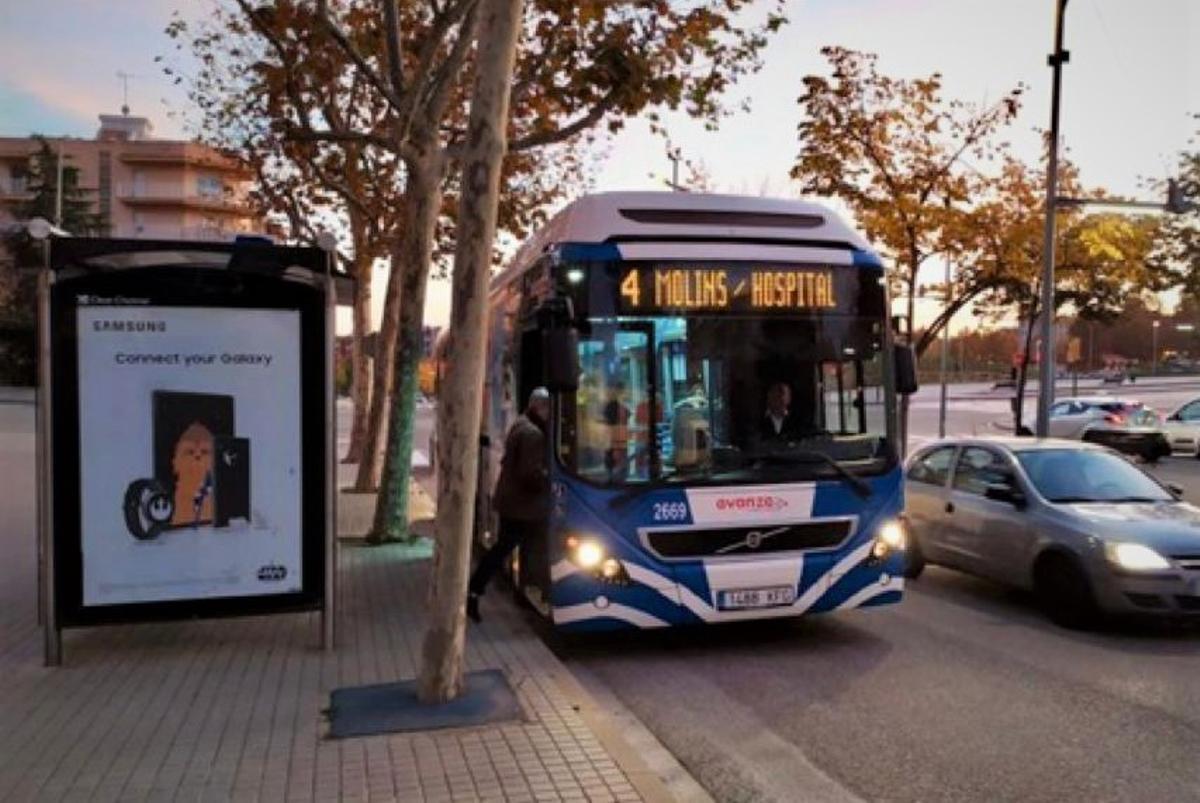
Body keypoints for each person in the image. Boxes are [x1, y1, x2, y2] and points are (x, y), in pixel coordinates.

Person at [467, 387, 551, 623]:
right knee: (524, 546)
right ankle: (476, 590)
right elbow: (529, 474)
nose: (550, 414)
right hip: (522, 506)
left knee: (505, 547)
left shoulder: (520, 424)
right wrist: (550, 480)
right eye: (548, 409)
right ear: (539, 407)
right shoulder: (533, 434)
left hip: (511, 502)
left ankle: (478, 590)